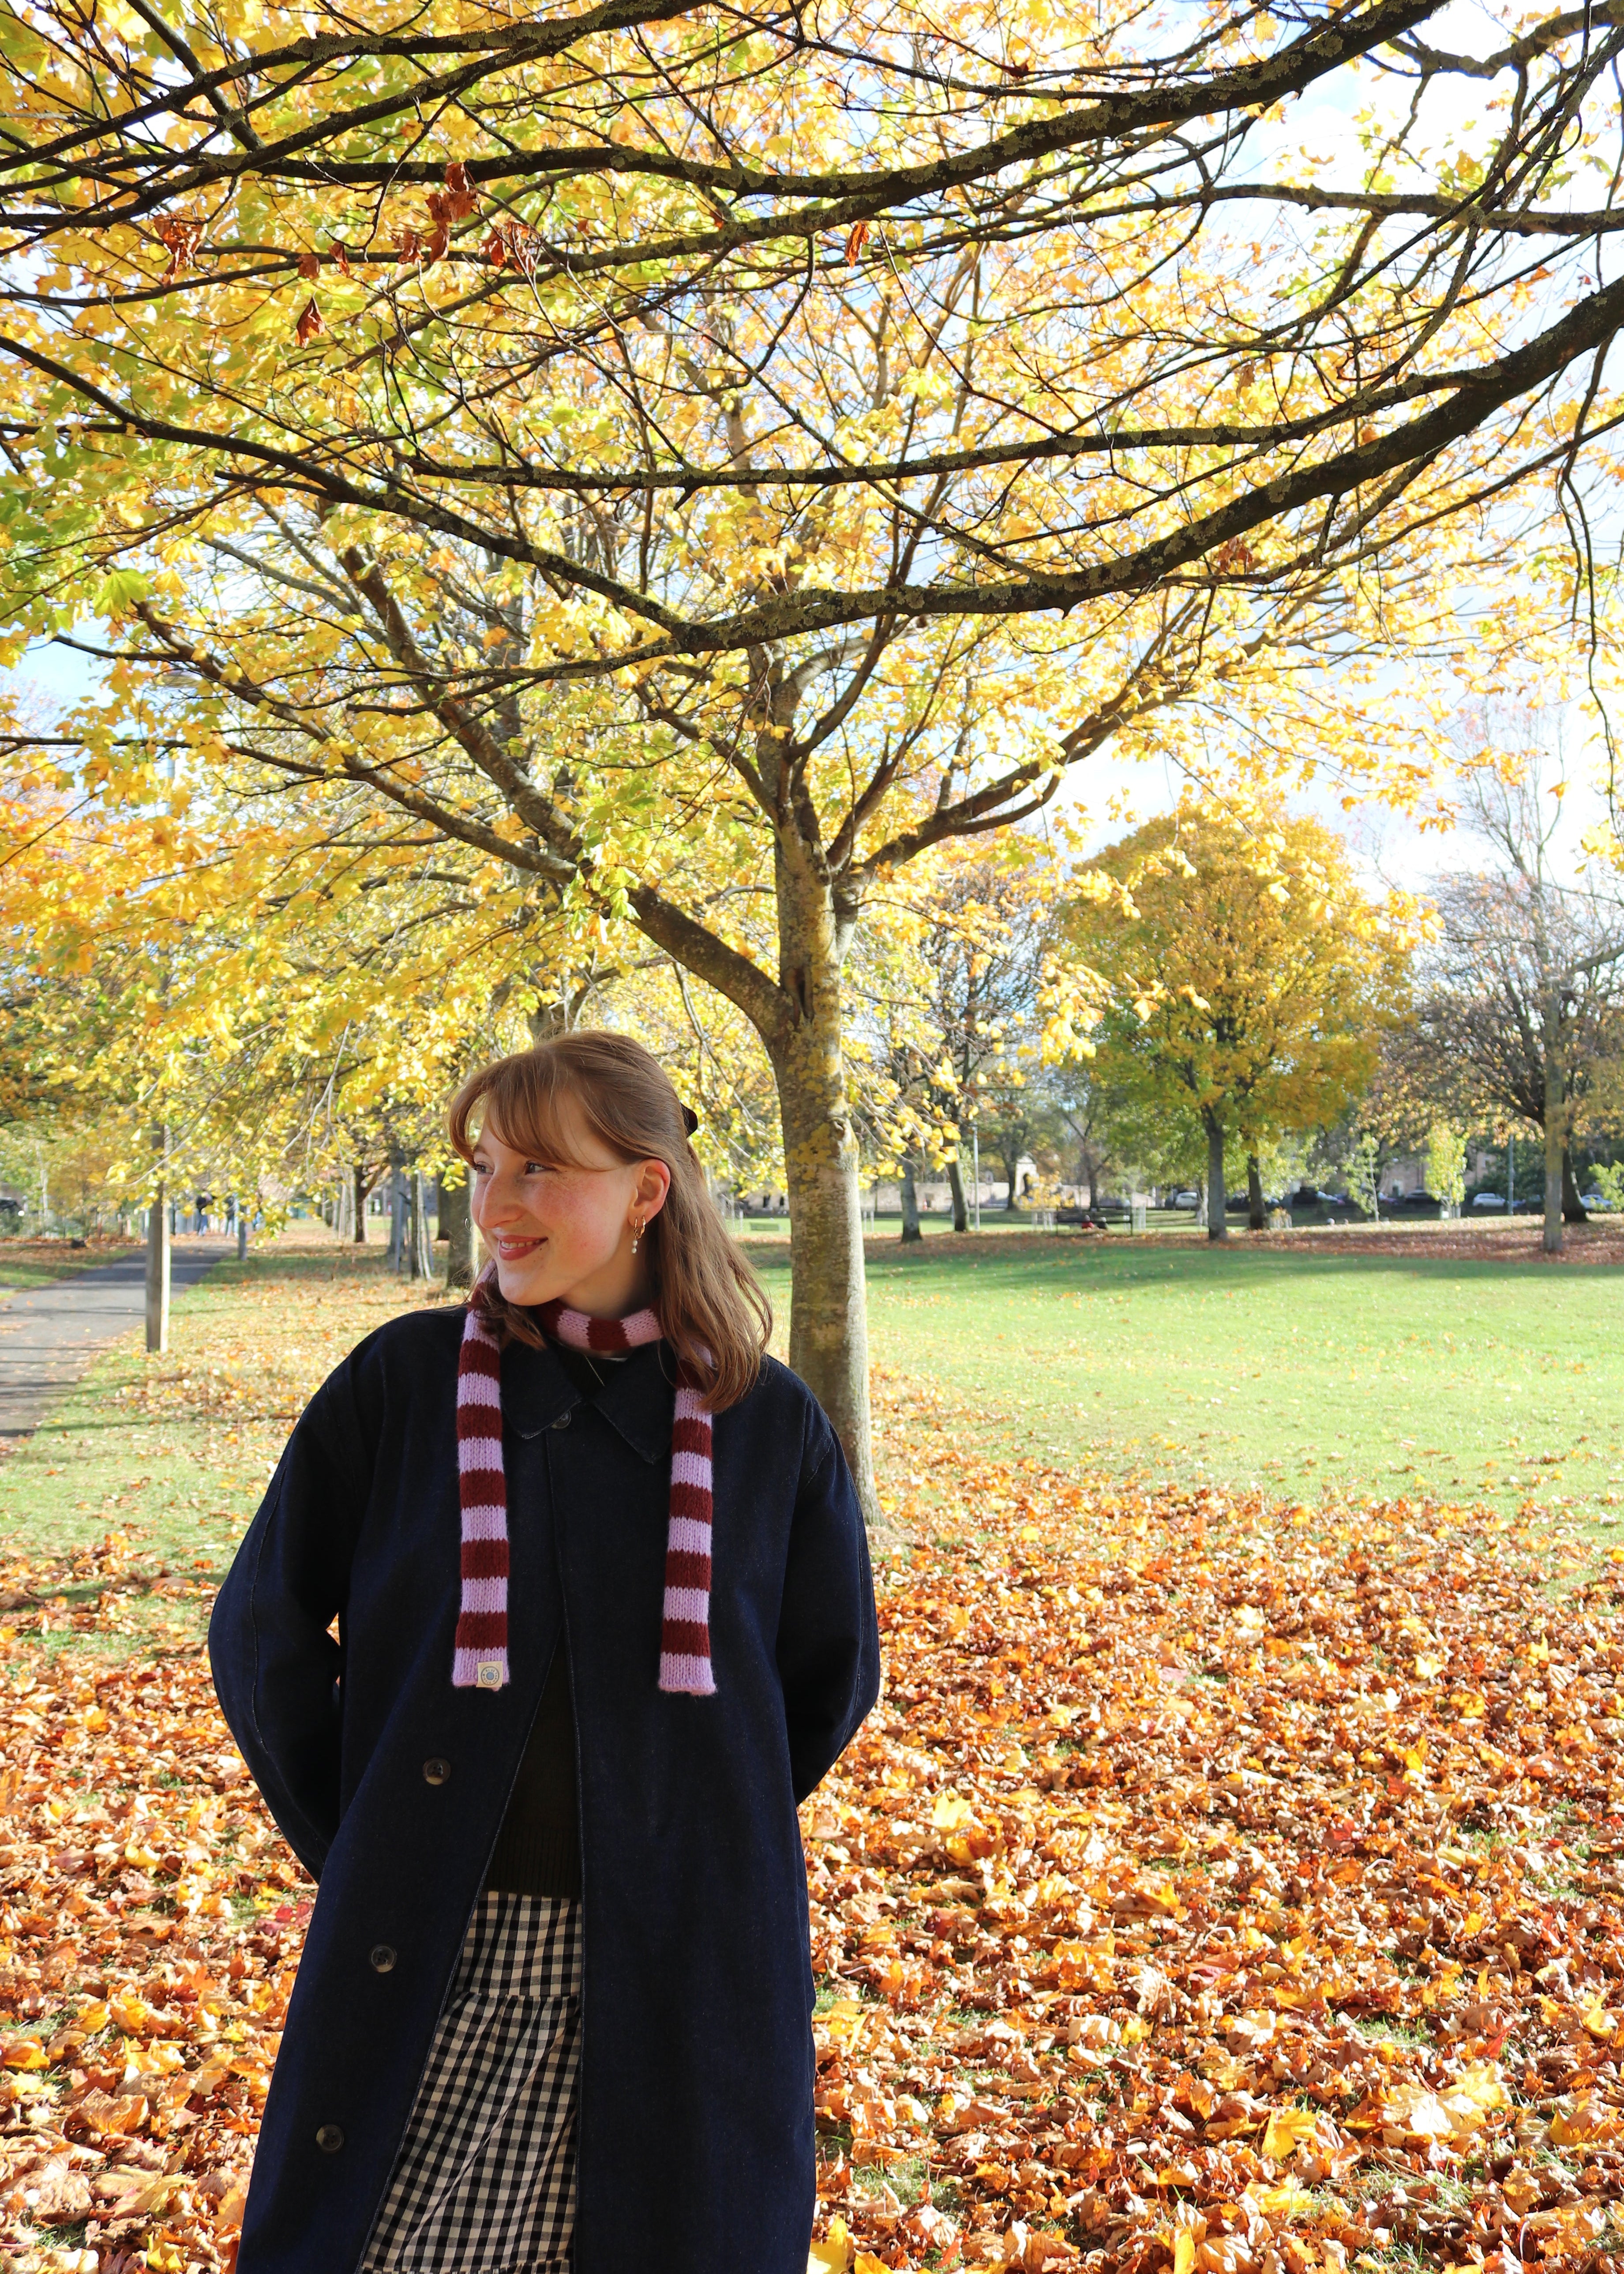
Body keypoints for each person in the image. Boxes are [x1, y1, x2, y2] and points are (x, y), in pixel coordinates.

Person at [210, 1032, 881, 2274]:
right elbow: (263, 1631)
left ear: (644, 1188)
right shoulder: (401, 1386)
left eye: (537, 1169)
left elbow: (825, 1671)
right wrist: (367, 1830)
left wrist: (685, 1816)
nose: (497, 1206)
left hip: (680, 1949)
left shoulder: (765, 1420)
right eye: (484, 1167)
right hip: (435, 1940)